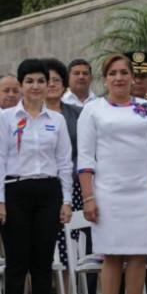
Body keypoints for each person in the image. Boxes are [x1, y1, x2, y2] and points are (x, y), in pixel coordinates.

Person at [77, 53, 147, 294]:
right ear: (105, 78)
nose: (119, 78)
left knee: (139, 257)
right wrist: (89, 198)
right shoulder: (92, 111)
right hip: (108, 193)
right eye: (113, 73)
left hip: (144, 192)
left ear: (133, 77)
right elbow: (84, 158)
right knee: (113, 256)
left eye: (124, 73)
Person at [0, 58, 73, 294]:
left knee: (42, 262)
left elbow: (65, 163)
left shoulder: (57, 119)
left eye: (41, 81)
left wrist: (65, 201)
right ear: (21, 85)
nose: (36, 86)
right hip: (15, 191)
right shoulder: (6, 118)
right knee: (17, 262)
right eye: (30, 81)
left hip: (48, 192)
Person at [42, 58, 83, 269]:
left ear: (64, 84)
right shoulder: (30, 115)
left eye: (57, 79)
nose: (51, 84)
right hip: (41, 185)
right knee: (41, 244)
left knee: (68, 244)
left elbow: (85, 149)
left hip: (73, 185)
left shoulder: (78, 114)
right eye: (46, 80)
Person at [0, 75, 21, 210]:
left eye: (15, 91)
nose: (11, 95)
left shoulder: (29, 118)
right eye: (6, 91)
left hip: (21, 190)